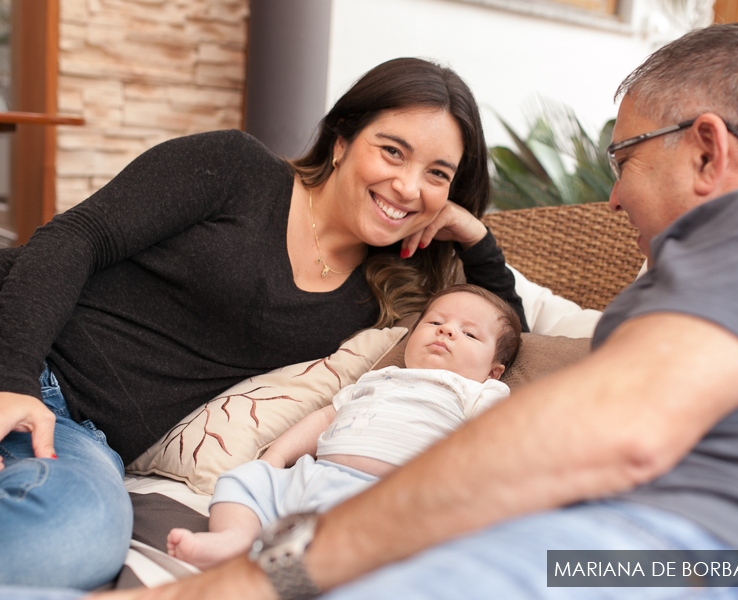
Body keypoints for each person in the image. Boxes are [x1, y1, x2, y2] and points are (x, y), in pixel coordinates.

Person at [85, 22, 738, 600]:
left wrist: (269, 572)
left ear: (707, 147)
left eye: (621, 157)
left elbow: (604, 422)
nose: (611, 198)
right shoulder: (660, 305)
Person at [0, 57, 528, 592]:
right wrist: (14, 381)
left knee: (70, 538)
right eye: (393, 151)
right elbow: (75, 236)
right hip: (20, 347)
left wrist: (476, 239)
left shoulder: (387, 294)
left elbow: (511, 336)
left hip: (77, 434)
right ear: (342, 141)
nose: (409, 187)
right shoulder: (236, 168)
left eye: (437, 174)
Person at [167, 283, 522, 570]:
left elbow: (497, 439)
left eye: (469, 334)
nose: (446, 330)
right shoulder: (379, 377)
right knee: (244, 481)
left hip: (390, 496)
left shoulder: (477, 392)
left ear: (493, 370)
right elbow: (325, 417)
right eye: (434, 323)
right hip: (313, 477)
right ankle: (235, 540)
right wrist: (275, 457)